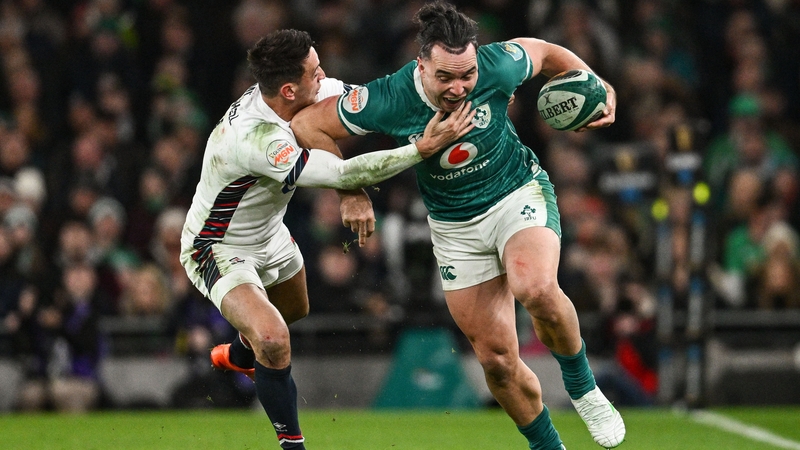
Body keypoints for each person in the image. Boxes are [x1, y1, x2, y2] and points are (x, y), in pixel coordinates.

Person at [290, 2, 625, 449]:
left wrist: (598, 85)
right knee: (497, 362)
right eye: (445, 77)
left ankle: (585, 390)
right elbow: (307, 123)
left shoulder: (496, 65)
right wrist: (349, 190)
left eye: (466, 74)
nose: (459, 86)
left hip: (516, 194)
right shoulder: (389, 97)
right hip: (455, 228)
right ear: (421, 65)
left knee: (535, 287)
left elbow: (545, 52)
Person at [179, 29, 474, 450]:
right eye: (316, 74)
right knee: (274, 338)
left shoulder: (296, 94)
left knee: (294, 311)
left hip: (271, 235)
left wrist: (462, 96)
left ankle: (242, 354)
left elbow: (381, 101)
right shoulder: (256, 140)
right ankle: (292, 444)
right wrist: (421, 149)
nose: (326, 79)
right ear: (288, 89)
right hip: (217, 247)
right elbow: (339, 174)